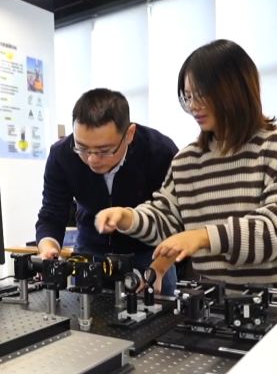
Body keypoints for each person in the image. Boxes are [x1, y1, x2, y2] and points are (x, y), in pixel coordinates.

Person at [95, 39, 277, 295]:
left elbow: (275, 232)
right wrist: (128, 217)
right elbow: (167, 220)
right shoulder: (186, 161)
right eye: (188, 97)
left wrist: (202, 237)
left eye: (201, 95)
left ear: (235, 89)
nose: (193, 106)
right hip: (217, 304)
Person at [35, 88, 179, 293]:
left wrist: (158, 269)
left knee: (158, 312)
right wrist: (48, 248)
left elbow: (176, 220)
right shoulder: (62, 155)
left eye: (104, 151)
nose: (92, 159)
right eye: (82, 148)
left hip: (150, 254)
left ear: (129, 134)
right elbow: (51, 214)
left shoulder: (159, 152)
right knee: (81, 310)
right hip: (90, 253)